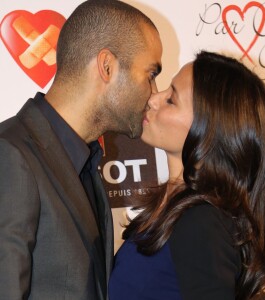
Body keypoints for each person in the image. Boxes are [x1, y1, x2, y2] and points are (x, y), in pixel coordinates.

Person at [0, 0, 162, 299]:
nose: (153, 95)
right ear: (107, 66)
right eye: (150, 74)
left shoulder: (86, 162)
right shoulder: (9, 155)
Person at [108, 51, 265, 300]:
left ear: (209, 131)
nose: (153, 98)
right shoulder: (175, 212)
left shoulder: (201, 222)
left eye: (171, 100)